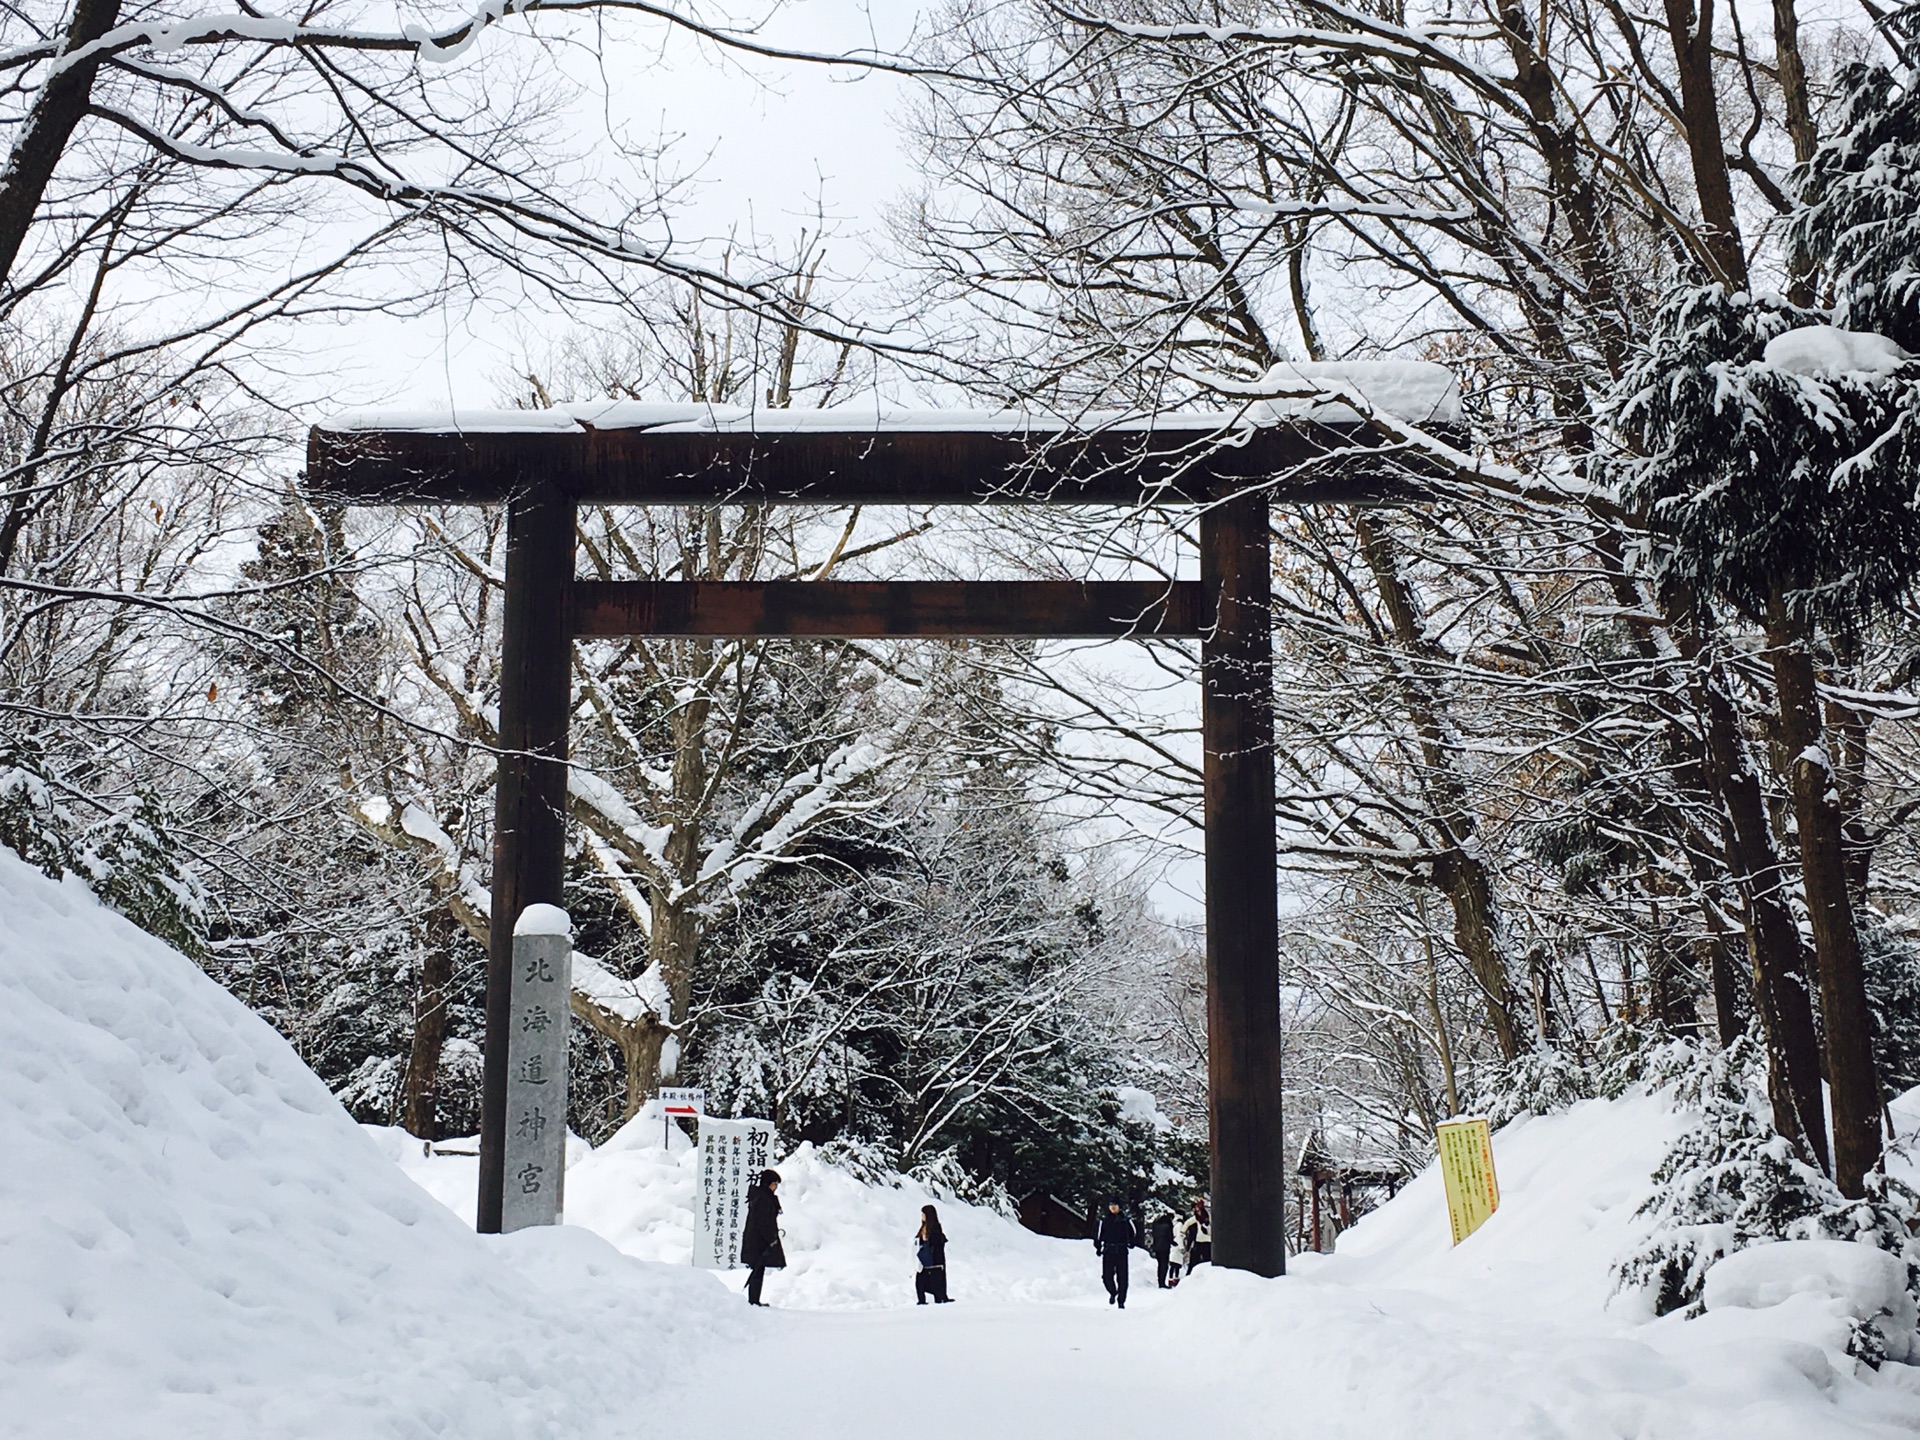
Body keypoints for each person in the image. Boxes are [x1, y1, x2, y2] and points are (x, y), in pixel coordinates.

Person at [740, 1168, 783, 1307]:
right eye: (774, 1183)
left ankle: (754, 1300)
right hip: (759, 1241)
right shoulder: (763, 1198)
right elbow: (764, 1222)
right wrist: (772, 1240)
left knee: (758, 1269)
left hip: (757, 1240)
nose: (775, 1187)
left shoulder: (761, 1196)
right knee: (758, 1270)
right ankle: (753, 1301)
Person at [1095, 1201, 1135, 1309]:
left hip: (1122, 1251)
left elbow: (1133, 1233)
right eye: (1111, 1205)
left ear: (1119, 1207)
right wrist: (1098, 1247)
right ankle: (1113, 1292)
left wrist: (1131, 1243)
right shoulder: (1104, 1221)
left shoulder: (1125, 1220)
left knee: (1123, 1278)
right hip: (1108, 1250)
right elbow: (1098, 1235)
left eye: (1115, 1205)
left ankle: (1121, 1301)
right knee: (1106, 1276)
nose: (1113, 1207)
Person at [914, 1203, 952, 1304]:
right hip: (924, 1261)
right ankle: (921, 1300)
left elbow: (937, 1243)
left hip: (934, 1262)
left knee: (936, 1284)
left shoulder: (935, 1228)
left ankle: (939, 1299)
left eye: (923, 1214)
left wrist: (928, 1240)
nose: (921, 1216)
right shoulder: (923, 1228)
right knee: (920, 1282)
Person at [1180, 1195, 1212, 1274]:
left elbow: (1187, 1223)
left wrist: (1183, 1231)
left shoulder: (1205, 1217)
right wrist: (1183, 1231)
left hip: (1205, 1240)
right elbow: (1188, 1223)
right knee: (1198, 1259)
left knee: (1203, 1259)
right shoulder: (1199, 1217)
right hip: (1202, 1240)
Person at [1147, 1208, 1177, 1289]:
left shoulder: (1156, 1224)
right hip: (1165, 1247)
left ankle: (1160, 1281)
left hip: (1157, 1247)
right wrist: (1173, 1243)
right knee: (1164, 1265)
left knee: (1160, 1265)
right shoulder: (1168, 1225)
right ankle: (1162, 1282)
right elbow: (1170, 1237)